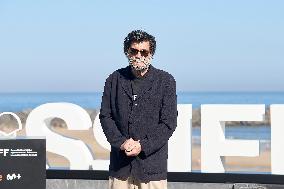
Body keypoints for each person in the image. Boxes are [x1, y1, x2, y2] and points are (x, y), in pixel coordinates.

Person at [99, 30, 177, 189]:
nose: (138, 55)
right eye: (134, 51)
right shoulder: (114, 79)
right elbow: (105, 116)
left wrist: (143, 146)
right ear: (127, 52)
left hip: (152, 170)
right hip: (120, 168)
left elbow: (168, 123)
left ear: (151, 53)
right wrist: (121, 143)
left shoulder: (166, 81)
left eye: (144, 51)